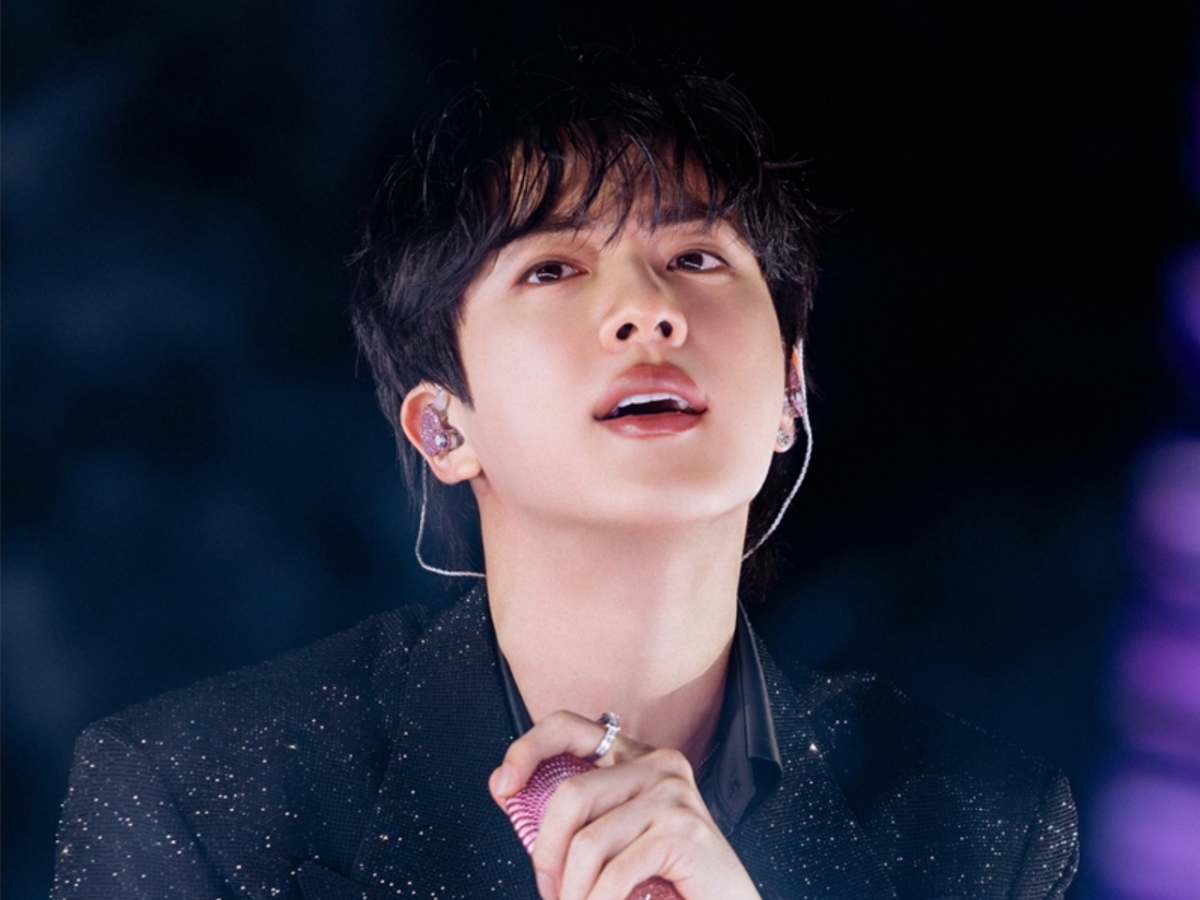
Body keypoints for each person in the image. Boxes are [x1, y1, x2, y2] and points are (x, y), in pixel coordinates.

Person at [51, 50, 1078, 900]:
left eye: (697, 258)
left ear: (789, 388)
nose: (647, 311)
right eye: (553, 268)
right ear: (443, 427)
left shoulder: (979, 828)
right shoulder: (197, 799)